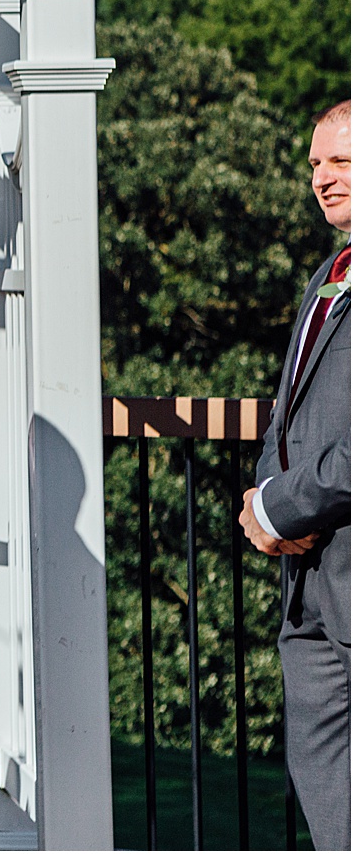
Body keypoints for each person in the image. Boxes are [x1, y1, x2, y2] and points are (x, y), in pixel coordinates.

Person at [240, 99, 351, 850]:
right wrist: (263, 499)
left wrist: (283, 505)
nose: (321, 177)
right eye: (314, 162)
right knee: (327, 782)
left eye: (340, 161)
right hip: (311, 582)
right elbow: (292, 406)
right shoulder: (329, 272)